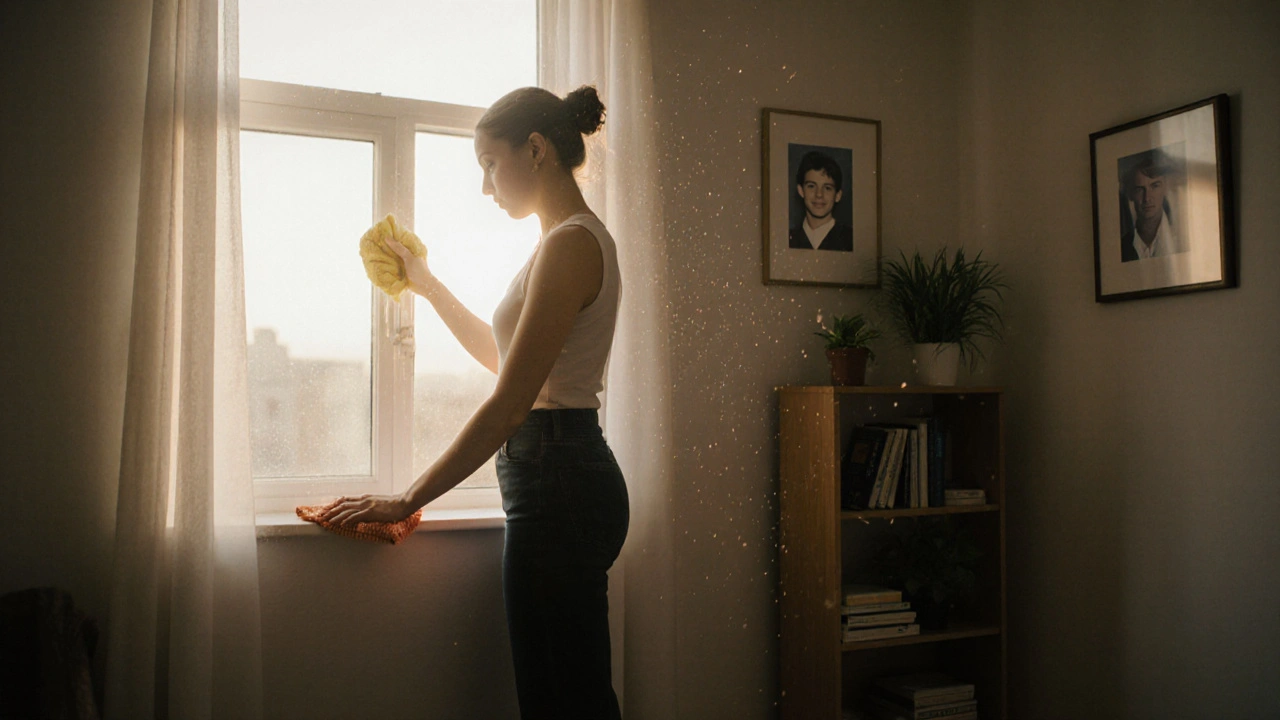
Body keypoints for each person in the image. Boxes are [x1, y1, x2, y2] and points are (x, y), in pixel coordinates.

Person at [321, 85, 627, 720]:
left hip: (560, 477)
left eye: (491, 164)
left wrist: (408, 499)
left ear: (536, 149)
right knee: (565, 695)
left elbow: (511, 403)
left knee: (564, 700)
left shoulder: (572, 244)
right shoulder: (557, 245)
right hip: (557, 477)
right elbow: (505, 359)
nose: (487, 187)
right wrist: (427, 286)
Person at [1120, 148, 1185, 262]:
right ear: (1131, 194)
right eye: (1140, 189)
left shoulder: (1182, 240)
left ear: (1165, 188)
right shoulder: (1122, 245)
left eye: (1155, 186)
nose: (1147, 198)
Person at [789, 149, 854, 251]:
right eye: (811, 186)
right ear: (801, 191)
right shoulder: (788, 238)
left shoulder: (851, 240)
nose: (819, 194)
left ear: (838, 195)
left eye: (827, 188)